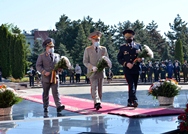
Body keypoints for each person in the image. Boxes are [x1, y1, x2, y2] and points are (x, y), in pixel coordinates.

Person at [36, 38, 65, 113]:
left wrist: (60, 68)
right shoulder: (42, 56)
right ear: (46, 47)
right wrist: (43, 72)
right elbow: (38, 66)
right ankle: (46, 106)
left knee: (56, 92)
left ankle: (58, 106)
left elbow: (59, 65)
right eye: (50, 47)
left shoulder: (57, 55)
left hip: (55, 77)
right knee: (46, 93)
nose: (52, 48)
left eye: (52, 47)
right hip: (46, 77)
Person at [83, 31, 109, 110]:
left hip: (101, 72)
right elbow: (85, 61)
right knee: (94, 87)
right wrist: (91, 67)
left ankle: (98, 102)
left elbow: (107, 59)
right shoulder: (88, 49)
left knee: (100, 89)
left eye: (98, 40)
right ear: (92, 40)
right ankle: (97, 101)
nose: (97, 41)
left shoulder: (103, 49)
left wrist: (104, 65)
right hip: (92, 72)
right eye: (95, 40)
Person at [117, 29, 141, 107]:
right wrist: (126, 64)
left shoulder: (138, 46)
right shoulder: (122, 47)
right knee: (131, 84)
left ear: (133, 36)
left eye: (129, 36)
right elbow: (119, 58)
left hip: (136, 68)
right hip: (127, 69)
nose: (128, 38)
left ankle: (130, 101)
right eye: (126, 37)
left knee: (135, 85)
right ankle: (134, 100)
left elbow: (142, 56)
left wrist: (141, 59)